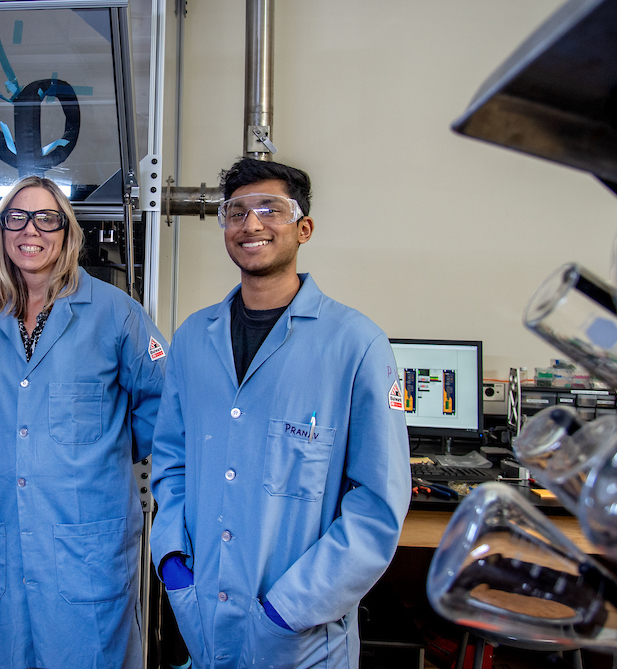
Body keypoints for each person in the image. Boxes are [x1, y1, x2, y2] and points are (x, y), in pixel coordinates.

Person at [150, 158, 411, 668]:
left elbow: (377, 506)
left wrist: (288, 610)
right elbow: (171, 462)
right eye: (236, 211)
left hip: (299, 636)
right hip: (204, 615)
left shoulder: (356, 344)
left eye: (270, 209)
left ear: (303, 228)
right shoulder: (193, 339)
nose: (251, 224)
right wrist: (173, 564)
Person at [0, 176, 168, 668]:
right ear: (2, 232)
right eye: (17, 218)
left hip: (86, 554)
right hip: (9, 547)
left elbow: (165, 406)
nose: (31, 230)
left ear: (67, 232)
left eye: (46, 218)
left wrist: (106, 448)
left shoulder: (116, 315)